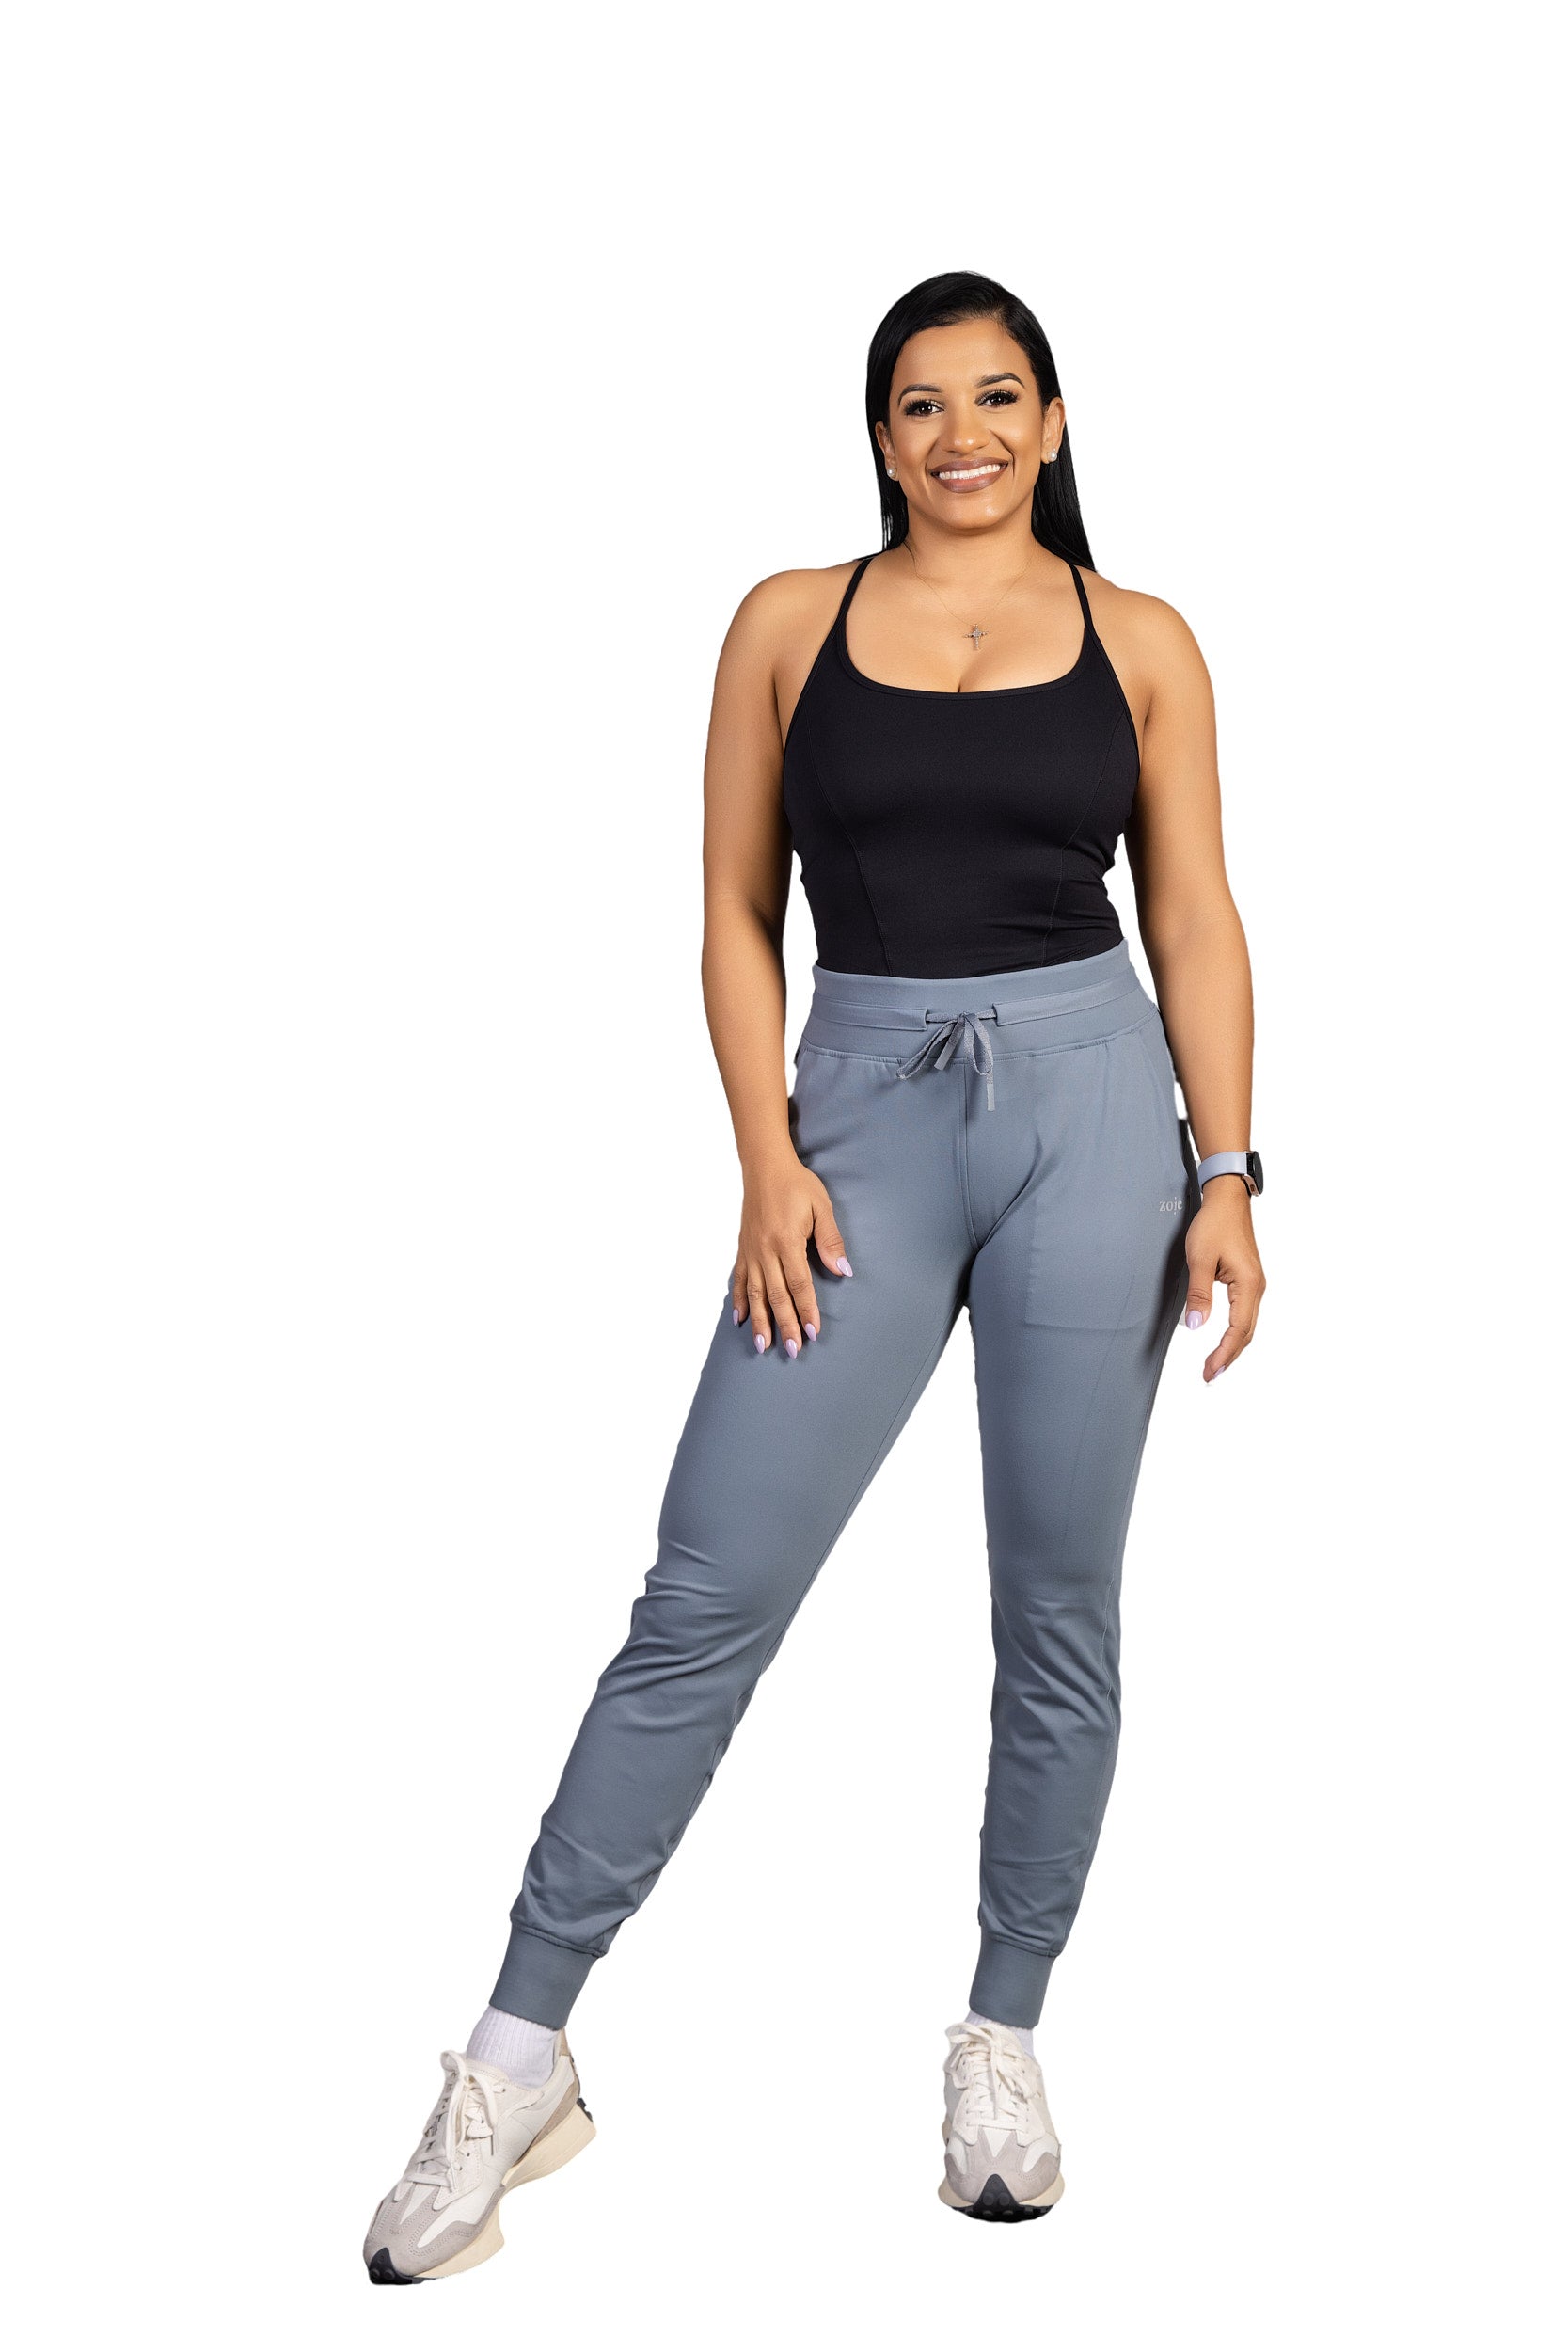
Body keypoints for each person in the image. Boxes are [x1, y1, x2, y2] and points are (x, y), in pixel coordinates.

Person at [363, 269, 1266, 2279]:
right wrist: (766, 1154)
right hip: (857, 1121)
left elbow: (1197, 910)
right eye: (923, 403)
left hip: (1097, 1121)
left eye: (999, 398)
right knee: (706, 1593)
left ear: (1052, 422)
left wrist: (1227, 1168)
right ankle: (517, 2054)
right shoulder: (788, 622)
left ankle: (1002, 2041)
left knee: (1058, 1604)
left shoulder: (1144, 640)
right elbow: (728, 903)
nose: (964, 433)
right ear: (881, 435)